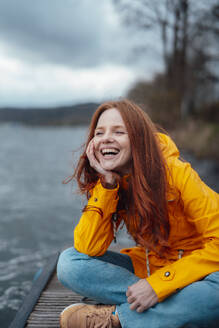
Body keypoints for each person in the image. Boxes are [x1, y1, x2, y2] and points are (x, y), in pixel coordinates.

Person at [57, 99, 219, 328]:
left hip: (197, 273)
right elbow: (88, 248)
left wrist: (159, 285)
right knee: (69, 263)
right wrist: (107, 184)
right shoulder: (112, 180)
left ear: (139, 139)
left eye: (119, 131)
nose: (106, 138)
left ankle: (119, 319)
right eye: (99, 132)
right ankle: (174, 310)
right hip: (151, 268)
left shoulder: (177, 173)